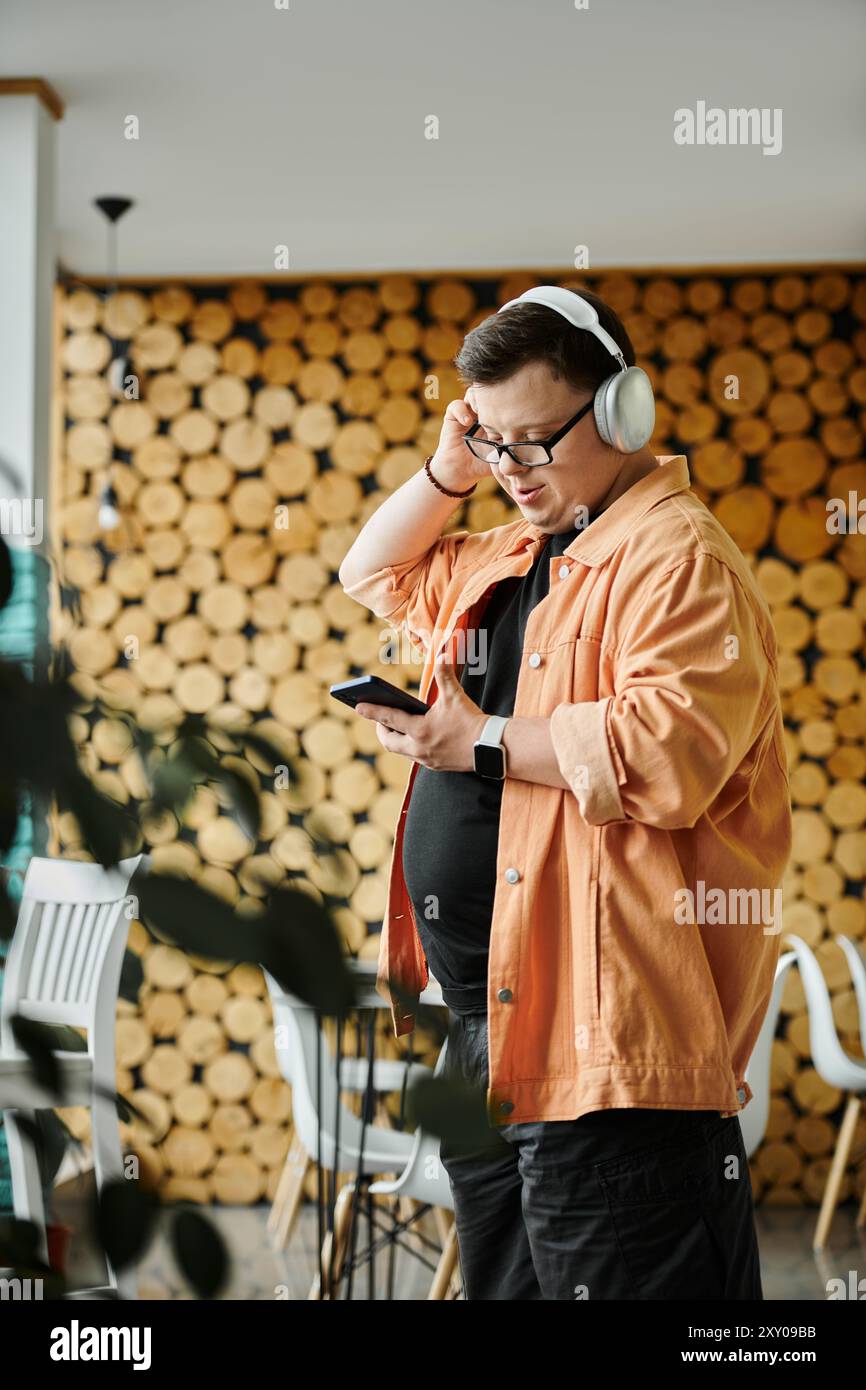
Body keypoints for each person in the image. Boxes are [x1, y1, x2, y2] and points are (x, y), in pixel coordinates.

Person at [338, 285, 792, 1300]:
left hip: (607, 1042)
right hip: (486, 1029)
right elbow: (369, 573)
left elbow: (666, 753)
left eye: (534, 441)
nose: (512, 473)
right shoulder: (510, 548)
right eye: (492, 443)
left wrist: (480, 739)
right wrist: (446, 469)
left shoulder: (676, 559)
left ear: (622, 410)